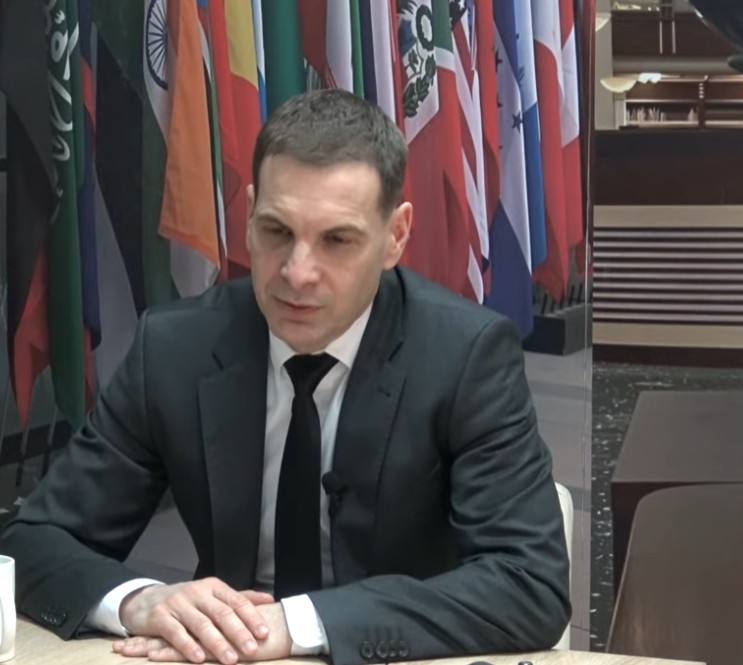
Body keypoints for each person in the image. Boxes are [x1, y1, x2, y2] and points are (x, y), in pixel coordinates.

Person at [0, 89, 570, 665]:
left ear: (396, 236)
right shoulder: (174, 349)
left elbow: (529, 583)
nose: (297, 274)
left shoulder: (466, 356)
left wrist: (298, 624)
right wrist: (139, 600)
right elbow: (29, 541)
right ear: (249, 217)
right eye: (277, 231)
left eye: (337, 240)